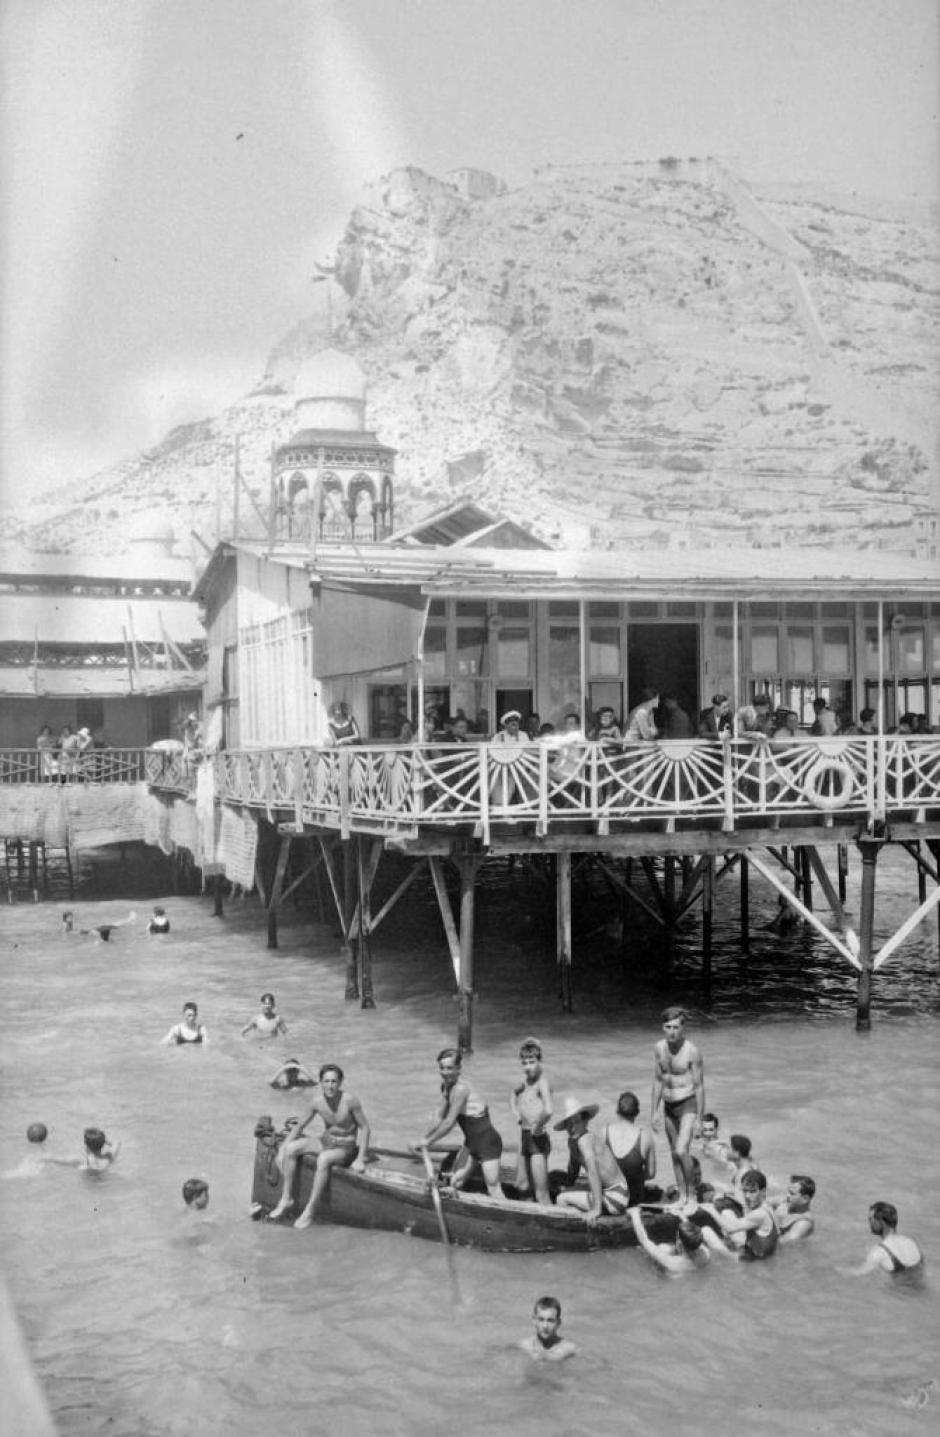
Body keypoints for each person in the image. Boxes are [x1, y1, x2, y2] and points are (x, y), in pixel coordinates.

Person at [268, 1063, 370, 1228]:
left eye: (334, 1081)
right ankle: (286, 1199)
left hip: (345, 1147)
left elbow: (365, 1128)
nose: (330, 1085)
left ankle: (310, 1210)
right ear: (321, 1082)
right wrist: (282, 1149)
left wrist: (360, 1159)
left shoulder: (350, 1101)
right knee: (291, 1149)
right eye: (326, 1081)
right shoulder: (317, 1102)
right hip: (326, 1141)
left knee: (323, 1159)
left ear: (340, 1082)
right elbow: (299, 1126)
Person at [412, 1047, 504, 1198]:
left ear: (459, 1068)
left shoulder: (461, 1089)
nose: (445, 1072)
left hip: (488, 1143)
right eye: (442, 1068)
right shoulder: (446, 1086)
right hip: (471, 1143)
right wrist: (424, 1138)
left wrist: (428, 1142)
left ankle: (506, 1219)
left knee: (494, 1189)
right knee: (455, 1182)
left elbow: (449, 1122)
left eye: (449, 1068)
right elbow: (439, 1116)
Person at [651, 1007, 705, 1203]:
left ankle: (692, 1195)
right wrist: (654, 1112)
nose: (672, 1032)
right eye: (667, 1027)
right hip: (668, 1105)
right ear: (662, 1027)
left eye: (675, 1027)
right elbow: (657, 1081)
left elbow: (699, 1086)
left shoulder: (692, 1051)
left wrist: (699, 1118)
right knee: (674, 1154)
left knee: (682, 1150)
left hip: (687, 1103)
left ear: (683, 1028)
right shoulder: (659, 1048)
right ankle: (682, 1195)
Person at [554, 1096, 632, 1222]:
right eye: (569, 1123)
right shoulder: (573, 1141)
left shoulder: (585, 1140)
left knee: (561, 1199)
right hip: (618, 1194)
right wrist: (567, 1185)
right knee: (565, 1191)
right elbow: (573, 1171)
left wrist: (596, 1209)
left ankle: (573, 1235)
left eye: (576, 1122)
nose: (572, 1127)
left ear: (585, 1122)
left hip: (616, 1197)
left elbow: (592, 1171)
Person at [509, 1037, 554, 1205]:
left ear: (540, 1061)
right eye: (525, 1063)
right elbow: (512, 1094)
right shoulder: (524, 1081)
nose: (528, 1067)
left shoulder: (542, 1083)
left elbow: (549, 1110)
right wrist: (516, 1112)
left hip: (538, 1140)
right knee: (521, 1185)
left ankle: (549, 1222)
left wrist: (539, 1125)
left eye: (532, 1062)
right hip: (524, 1136)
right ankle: (528, 1222)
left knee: (541, 1194)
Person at [699, 1170, 779, 1259]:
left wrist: (711, 1209)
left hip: (750, 1261)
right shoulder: (767, 1206)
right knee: (727, 1213)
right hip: (757, 1252)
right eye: (745, 1191)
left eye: (752, 1191)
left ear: (763, 1191)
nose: (747, 1196)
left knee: (706, 1231)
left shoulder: (760, 1214)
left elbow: (730, 1228)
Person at [600, 1091, 656, 1206]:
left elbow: (598, 1167)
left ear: (617, 1111)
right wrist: (633, 1176)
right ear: (637, 1113)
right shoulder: (645, 1136)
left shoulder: (604, 1132)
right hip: (634, 1198)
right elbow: (651, 1173)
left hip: (609, 1197)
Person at [629, 1207, 710, 1274]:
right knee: (668, 1248)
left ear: (679, 1243)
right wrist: (681, 1215)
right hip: (685, 1264)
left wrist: (634, 1214)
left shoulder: (672, 1263)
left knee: (663, 1248)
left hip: (671, 1273)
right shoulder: (705, 1253)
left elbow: (644, 1240)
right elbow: (694, 1234)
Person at [852, 1201, 923, 1275]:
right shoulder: (911, 1243)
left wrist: (839, 1271)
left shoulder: (879, 1252)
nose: (869, 1223)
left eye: (870, 1219)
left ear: (881, 1222)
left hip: (899, 1286)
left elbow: (858, 1274)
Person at [519, 1296, 577, 1361]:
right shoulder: (524, 1348)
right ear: (534, 1320)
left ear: (558, 1323)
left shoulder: (568, 1350)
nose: (545, 1326)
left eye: (550, 1320)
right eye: (541, 1319)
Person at [42, 1127, 120, 1172]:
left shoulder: (81, 1160)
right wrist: (102, 1140)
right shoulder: (108, 1158)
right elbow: (117, 1142)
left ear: (85, 1145)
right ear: (103, 1144)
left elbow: (52, 1159)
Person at [770, 1174, 816, 1243]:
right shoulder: (785, 1202)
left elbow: (782, 1243)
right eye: (788, 1191)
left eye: (792, 1193)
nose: (787, 1195)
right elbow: (760, 1202)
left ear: (805, 1199)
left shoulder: (804, 1223)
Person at [62, 909, 137, 942]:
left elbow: (72, 932)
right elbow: (69, 933)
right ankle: (129, 920)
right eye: (69, 917)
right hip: (90, 932)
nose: (71, 918)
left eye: (72, 916)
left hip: (89, 931)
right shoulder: (66, 924)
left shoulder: (68, 923)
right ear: (65, 918)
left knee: (111, 925)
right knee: (111, 925)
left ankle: (129, 920)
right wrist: (83, 932)